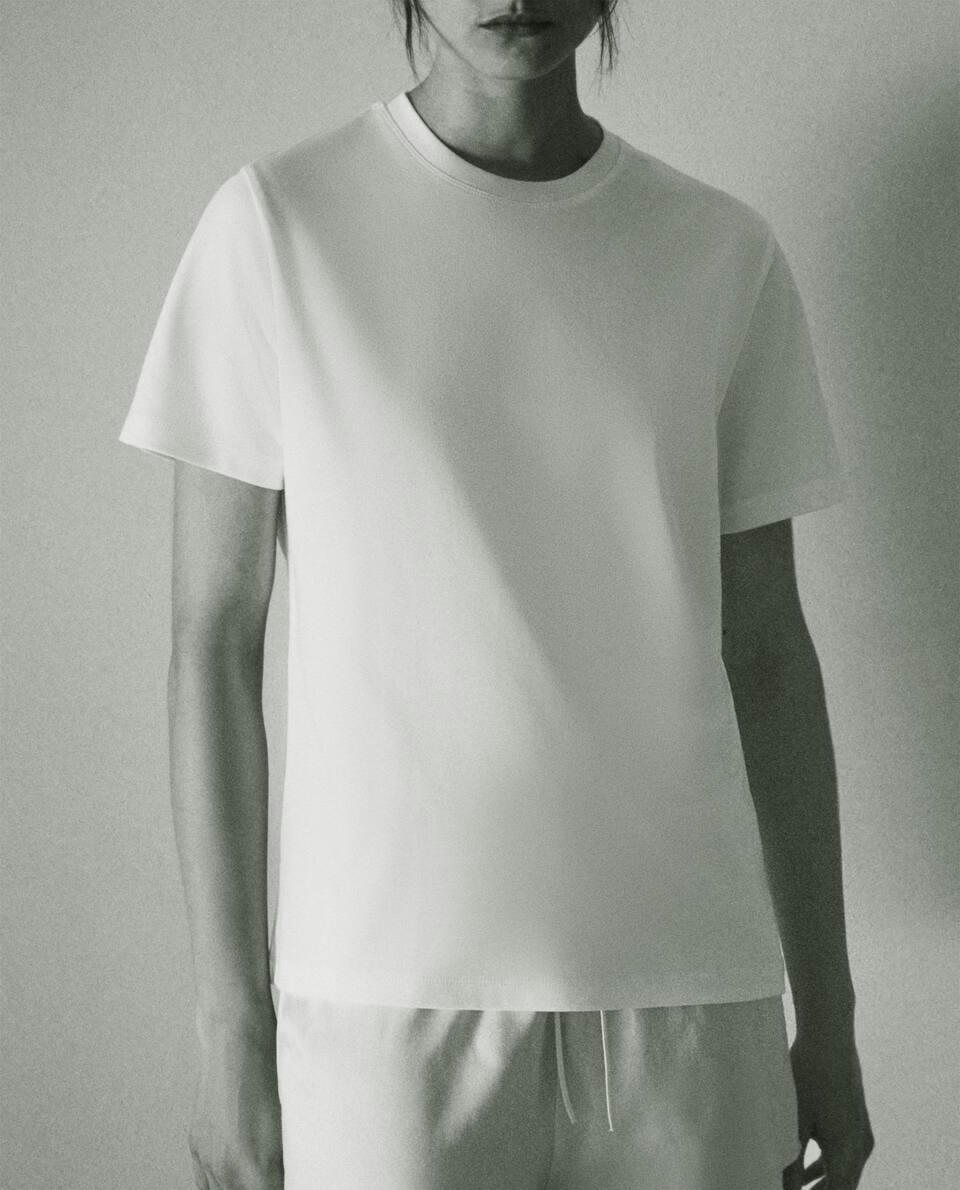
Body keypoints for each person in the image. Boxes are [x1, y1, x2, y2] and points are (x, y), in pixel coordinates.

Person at [118, 2, 876, 1188]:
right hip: (378, 1003)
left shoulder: (720, 252)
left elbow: (770, 653)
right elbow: (213, 641)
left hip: (691, 985)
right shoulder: (277, 227)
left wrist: (829, 1015)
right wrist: (229, 1027)